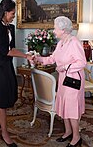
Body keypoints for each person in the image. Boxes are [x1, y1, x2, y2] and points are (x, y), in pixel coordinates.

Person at [0, 0, 33, 147]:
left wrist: (26, 54)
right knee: (1, 100)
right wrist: (26, 56)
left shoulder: (10, 27)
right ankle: (5, 133)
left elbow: (12, 48)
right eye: (12, 13)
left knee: (9, 94)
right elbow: (6, 51)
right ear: (5, 13)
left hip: (5, 65)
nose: (14, 16)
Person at [34, 16, 86, 147]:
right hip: (63, 79)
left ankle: (76, 137)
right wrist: (38, 58)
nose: (54, 30)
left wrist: (64, 67)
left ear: (63, 29)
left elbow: (82, 62)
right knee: (64, 106)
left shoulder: (74, 42)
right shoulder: (61, 43)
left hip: (74, 80)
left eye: (55, 28)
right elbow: (52, 59)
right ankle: (68, 131)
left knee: (72, 108)